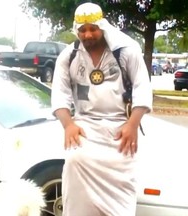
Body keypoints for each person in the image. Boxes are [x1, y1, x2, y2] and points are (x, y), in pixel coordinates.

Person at [51, 2, 153, 216]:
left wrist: (133, 124)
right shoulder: (68, 56)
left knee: (123, 179)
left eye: (92, 29)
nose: (88, 34)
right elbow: (60, 93)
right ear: (76, 31)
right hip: (85, 126)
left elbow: (143, 87)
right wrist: (68, 125)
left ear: (102, 27)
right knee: (74, 160)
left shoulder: (126, 51)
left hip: (120, 127)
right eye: (82, 30)